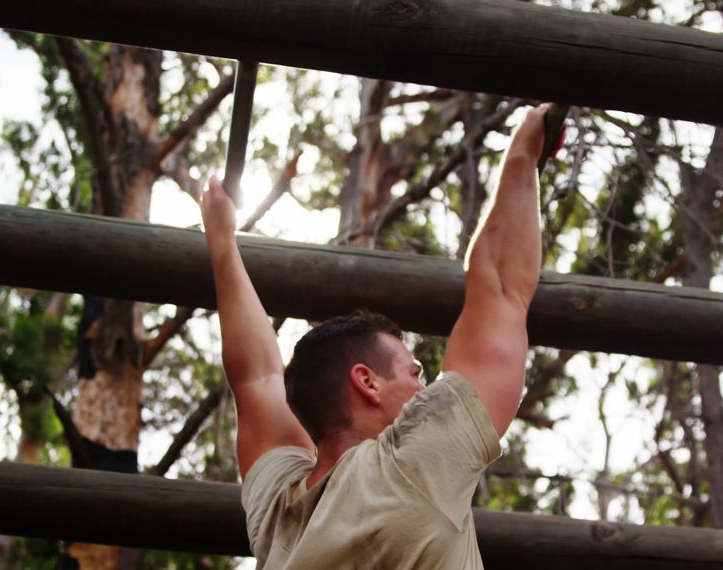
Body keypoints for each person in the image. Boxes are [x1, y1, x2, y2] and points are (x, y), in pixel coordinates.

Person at [200, 103, 550, 569]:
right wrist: (526, 147)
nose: (425, 388)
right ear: (367, 382)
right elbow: (502, 288)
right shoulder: (412, 466)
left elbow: (258, 380)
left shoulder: (279, 515)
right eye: (414, 372)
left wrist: (221, 240)